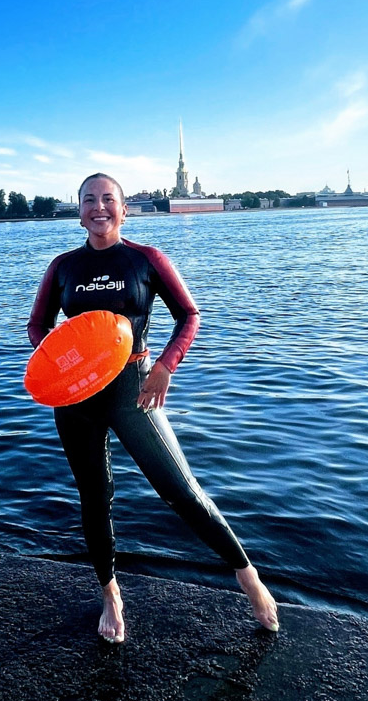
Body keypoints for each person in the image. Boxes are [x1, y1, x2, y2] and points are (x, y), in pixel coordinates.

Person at [27, 172, 279, 643]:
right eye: (89, 200)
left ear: (123, 209)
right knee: (94, 497)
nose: (98, 207)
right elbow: (37, 326)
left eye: (108, 200)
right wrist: (58, 360)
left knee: (180, 490)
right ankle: (111, 594)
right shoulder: (62, 267)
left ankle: (249, 577)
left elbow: (189, 315)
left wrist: (165, 365)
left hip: (134, 388)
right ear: (78, 210)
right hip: (76, 395)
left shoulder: (146, 259)